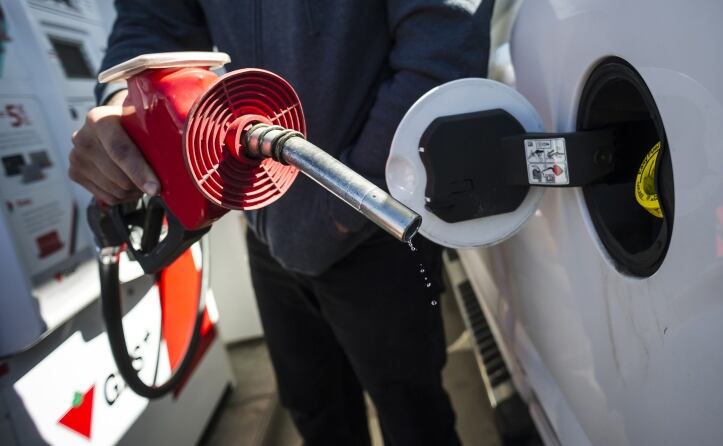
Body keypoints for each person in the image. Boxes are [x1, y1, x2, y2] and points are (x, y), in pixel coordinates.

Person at [69, 1, 493, 444]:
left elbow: (442, 49)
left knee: (413, 417)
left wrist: (338, 210)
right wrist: (127, 109)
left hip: (373, 226)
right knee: (315, 411)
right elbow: (152, 20)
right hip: (266, 230)